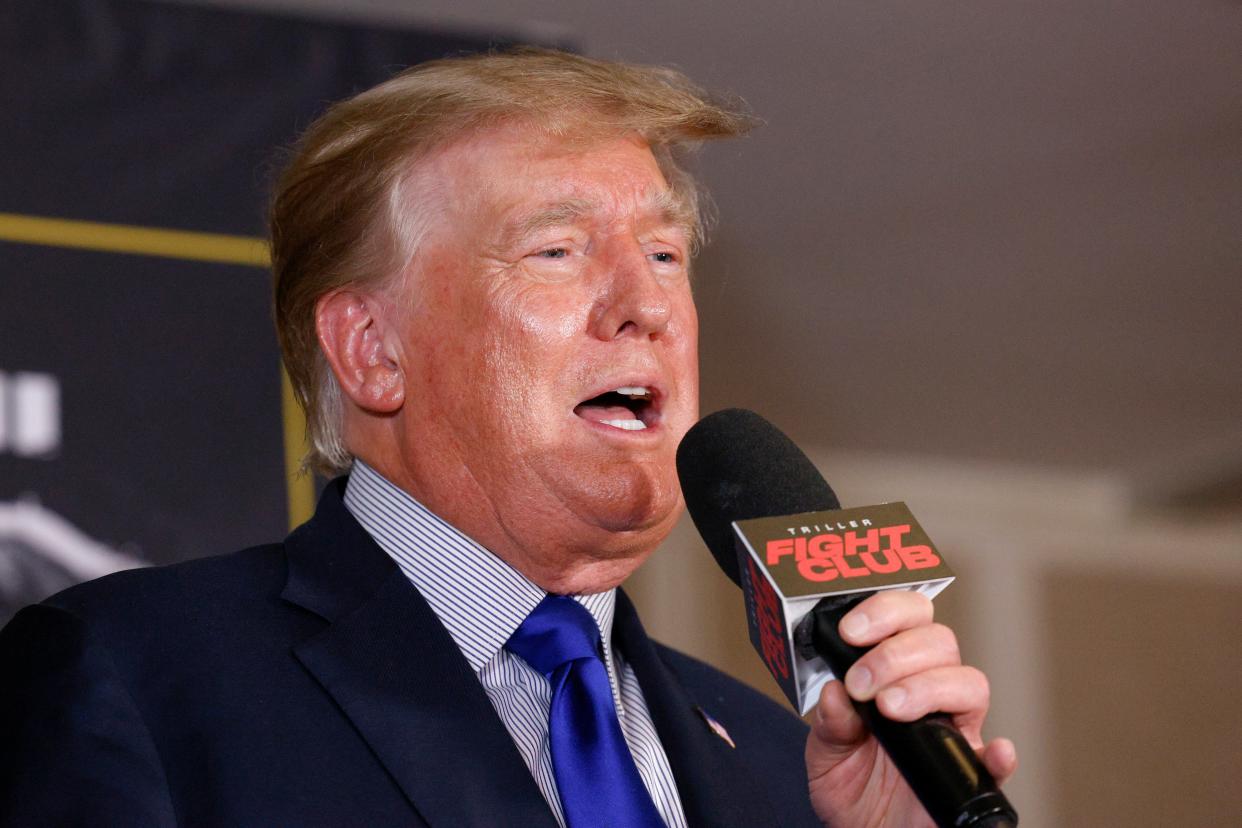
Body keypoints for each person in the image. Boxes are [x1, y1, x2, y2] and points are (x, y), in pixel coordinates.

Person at [0, 48, 1015, 826]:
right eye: (559, 249)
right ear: (371, 351)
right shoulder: (137, 675)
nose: (646, 305)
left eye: (664, 253)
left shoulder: (781, 763)